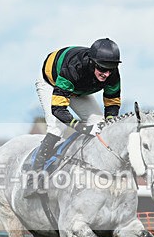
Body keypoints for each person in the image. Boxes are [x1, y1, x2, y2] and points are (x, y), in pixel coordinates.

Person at [25, 38, 122, 196]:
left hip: (78, 89)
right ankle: (33, 176)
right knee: (57, 128)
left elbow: (112, 103)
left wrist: (109, 126)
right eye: (103, 69)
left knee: (99, 124)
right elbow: (58, 109)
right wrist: (82, 128)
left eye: (110, 69)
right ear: (92, 62)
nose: (106, 74)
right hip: (52, 83)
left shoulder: (112, 73)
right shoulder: (74, 67)